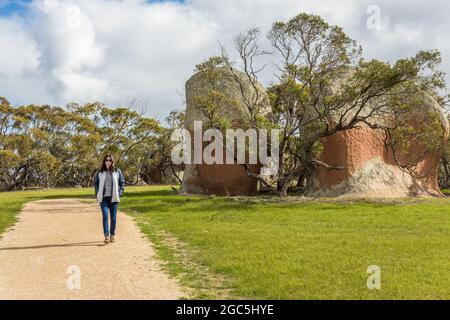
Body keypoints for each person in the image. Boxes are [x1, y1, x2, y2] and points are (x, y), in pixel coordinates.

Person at [94, 154, 125, 244]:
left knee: (113, 218)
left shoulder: (117, 171)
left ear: (112, 162)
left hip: (114, 198)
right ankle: (106, 236)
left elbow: (122, 183)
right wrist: (97, 193)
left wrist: (119, 193)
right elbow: (95, 183)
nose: (108, 162)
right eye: (106, 160)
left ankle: (112, 235)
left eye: (110, 160)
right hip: (104, 198)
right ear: (104, 161)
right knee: (105, 216)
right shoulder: (100, 172)